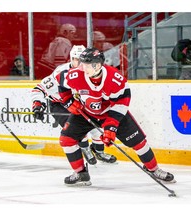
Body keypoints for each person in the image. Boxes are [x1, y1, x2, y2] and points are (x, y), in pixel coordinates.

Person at [58, 47, 175, 186]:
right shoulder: (76, 75)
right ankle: (81, 173)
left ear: (98, 65)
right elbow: (61, 81)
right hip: (86, 112)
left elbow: (121, 103)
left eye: (87, 65)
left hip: (111, 113)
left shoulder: (114, 78)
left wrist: (111, 127)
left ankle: (153, 169)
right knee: (66, 140)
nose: (82, 67)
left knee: (139, 143)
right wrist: (69, 101)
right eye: (82, 63)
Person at [31, 45, 117, 165]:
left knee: (96, 129)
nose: (79, 63)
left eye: (82, 60)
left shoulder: (89, 72)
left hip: (78, 103)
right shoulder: (61, 72)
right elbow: (38, 89)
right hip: (59, 104)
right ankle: (85, 149)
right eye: (76, 59)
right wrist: (37, 104)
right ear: (71, 59)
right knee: (77, 130)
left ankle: (99, 152)